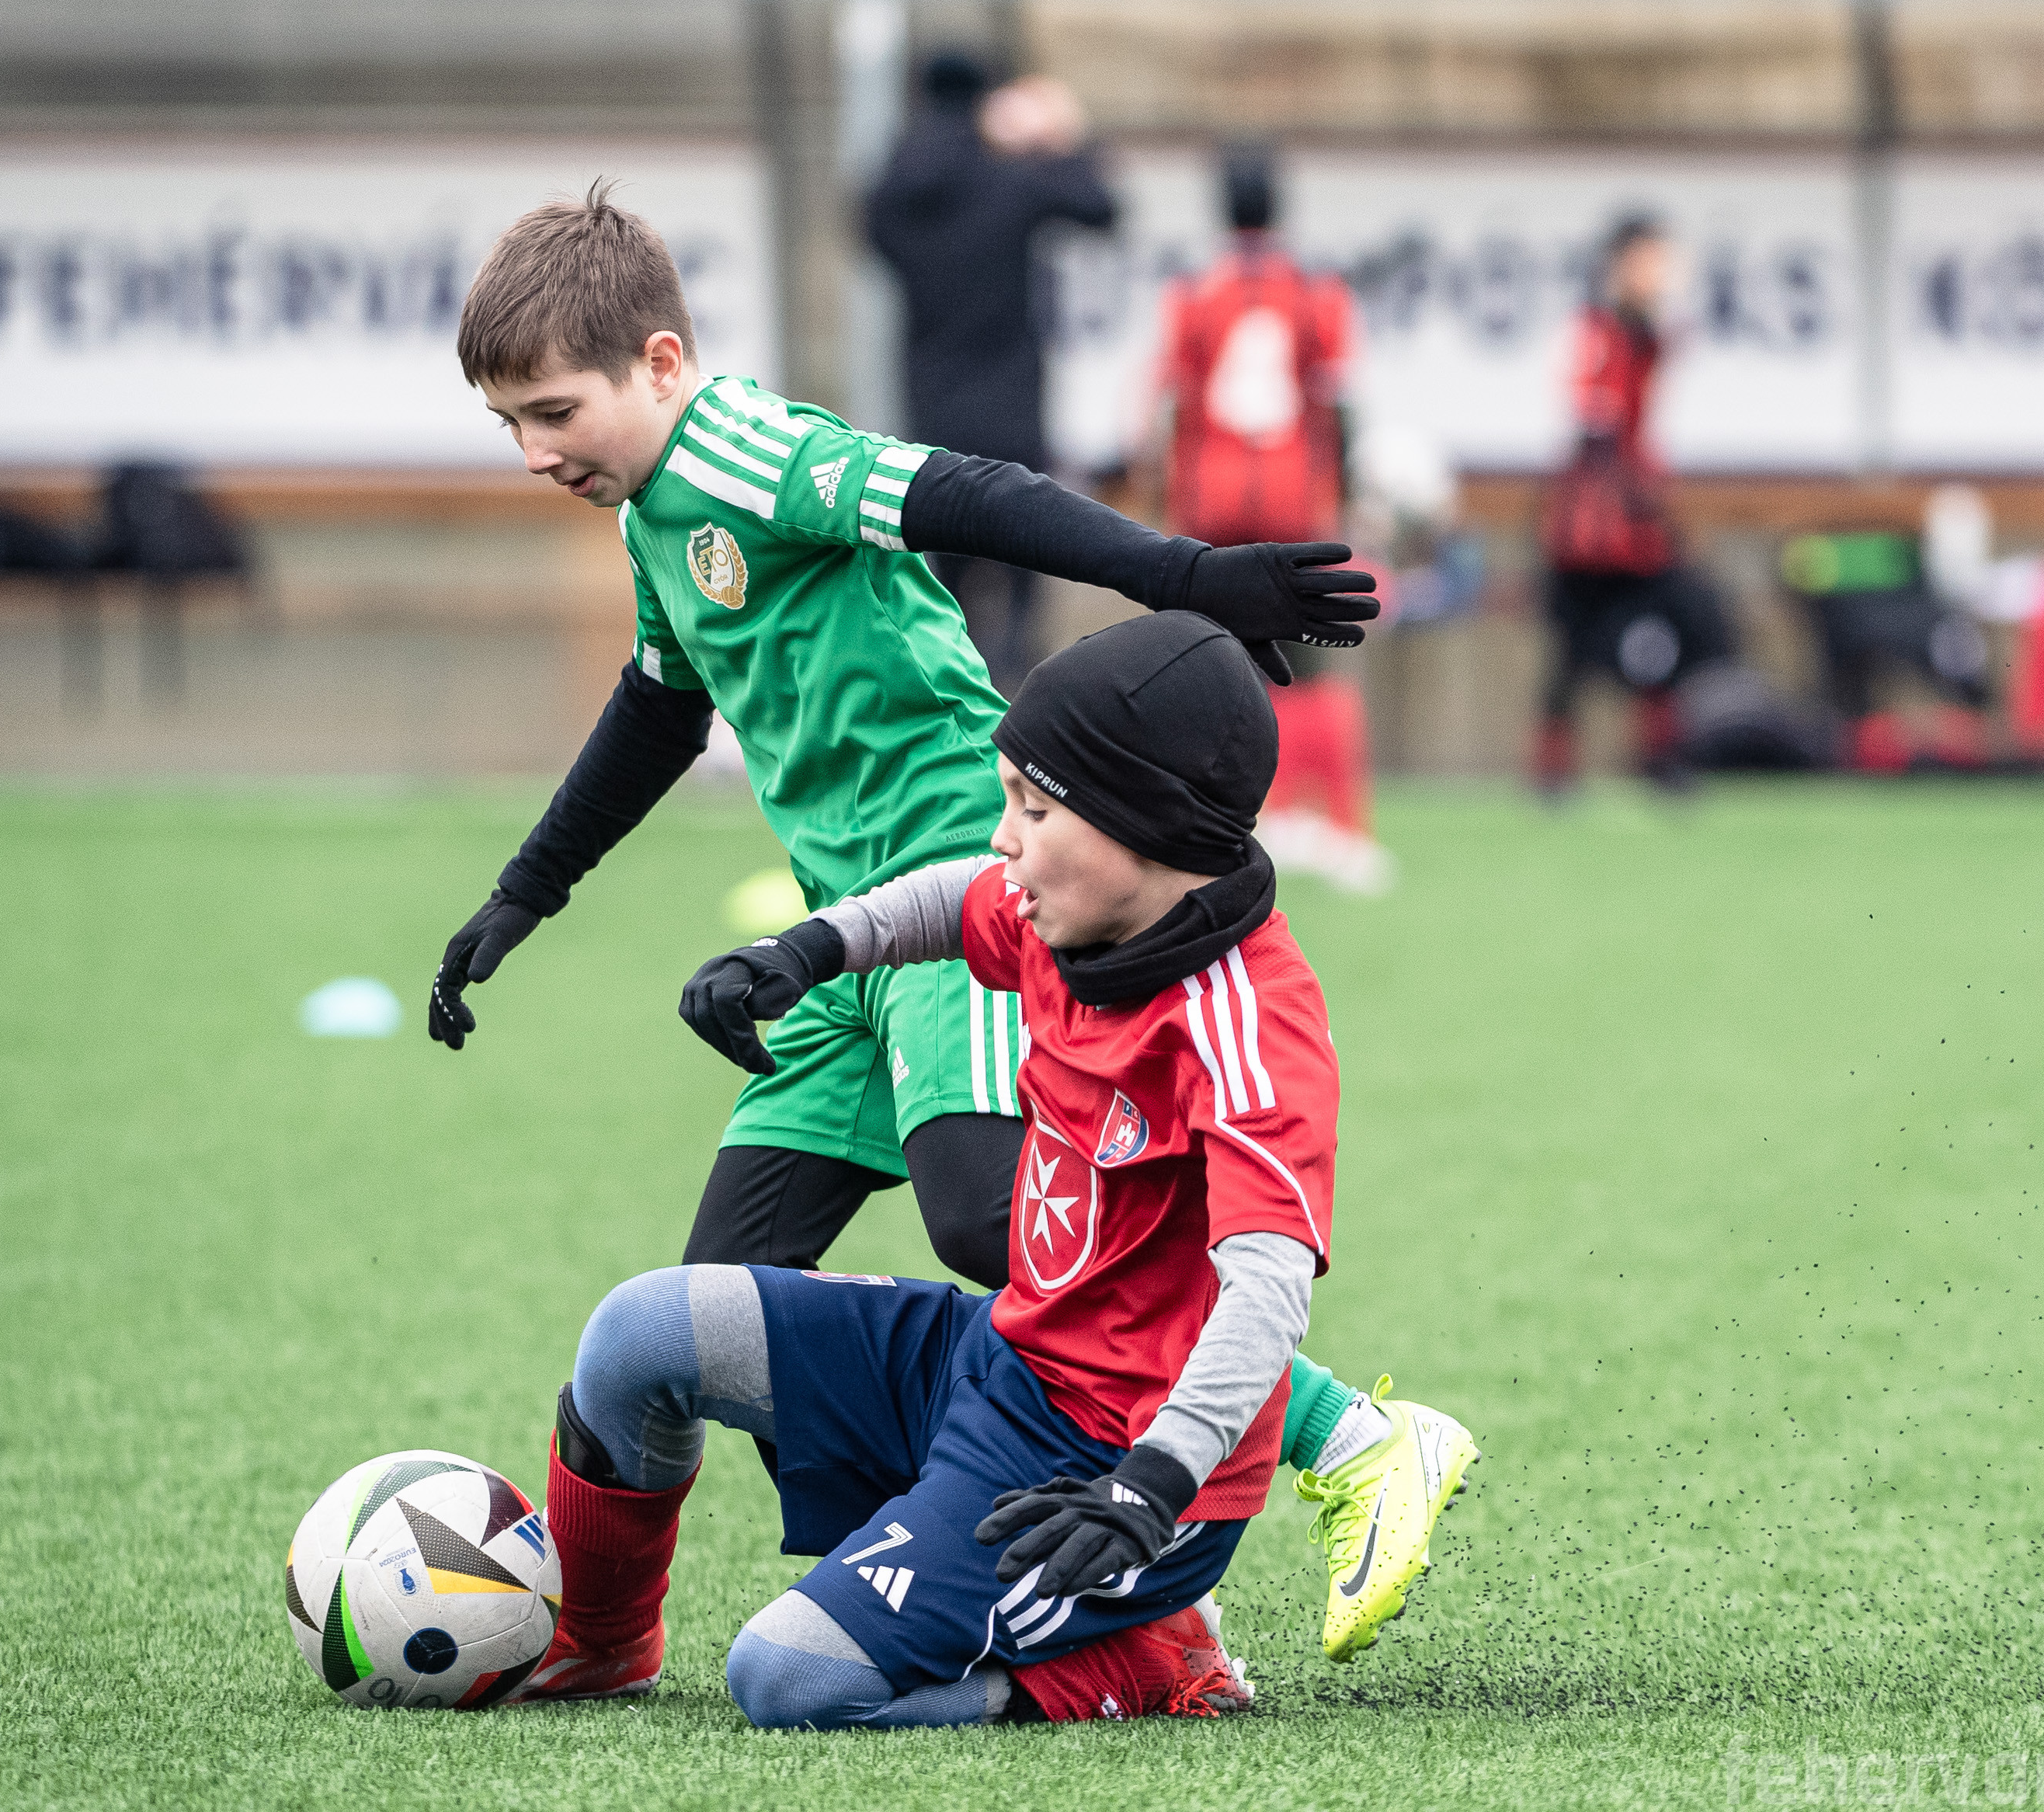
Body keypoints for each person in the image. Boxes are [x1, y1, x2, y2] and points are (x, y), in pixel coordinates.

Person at [430, 181, 1399, 1674]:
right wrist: (525, 891)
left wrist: (1181, 574)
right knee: (714, 1299)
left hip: (967, 873)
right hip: (839, 940)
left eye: (554, 410)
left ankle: (1336, 1435)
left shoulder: (742, 446)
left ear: (664, 363)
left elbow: (969, 491)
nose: (535, 450)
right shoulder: (654, 513)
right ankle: (610, 1638)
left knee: (989, 1220)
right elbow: (659, 707)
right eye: (509, 423)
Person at [520, 614, 1480, 1720]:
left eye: (1034, 807)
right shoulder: (1075, 910)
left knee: (786, 1677)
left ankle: (1147, 1657)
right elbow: (950, 896)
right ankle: (600, 1644)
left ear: (1145, 824)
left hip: (1107, 1464)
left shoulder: (1246, 1028)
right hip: (997, 1357)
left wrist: (1152, 1486)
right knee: (639, 1330)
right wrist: (808, 948)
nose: (1004, 836)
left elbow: (1267, 1289)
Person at [1145, 141, 1388, 893]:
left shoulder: (1194, 292)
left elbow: (1169, 405)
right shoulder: (1314, 292)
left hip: (1211, 499)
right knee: (1307, 656)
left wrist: (1164, 498)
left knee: (1209, 655)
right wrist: (1343, 489)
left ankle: (1219, 822)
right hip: (1291, 498)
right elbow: (1339, 402)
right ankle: (1335, 823)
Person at [867, 55, 1118, 690]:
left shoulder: (900, 190)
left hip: (934, 407)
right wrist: (1057, 137)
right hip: (1012, 403)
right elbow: (1100, 207)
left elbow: (870, 226)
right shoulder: (1011, 179)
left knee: (945, 572)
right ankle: (1021, 689)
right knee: (1024, 559)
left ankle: (956, 695)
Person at [1532, 214, 1738, 794]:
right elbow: (1590, 425)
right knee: (1572, 650)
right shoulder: (1592, 334)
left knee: (1664, 632)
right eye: (1648, 262)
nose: (1658, 276)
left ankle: (1660, 755)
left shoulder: (1647, 335)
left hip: (1637, 526)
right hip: (1591, 528)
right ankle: (1553, 765)